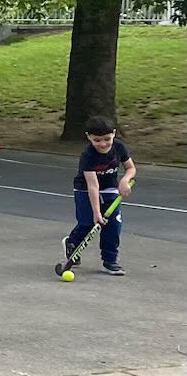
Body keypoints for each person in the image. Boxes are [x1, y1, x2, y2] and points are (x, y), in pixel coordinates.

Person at [65, 116, 136, 276]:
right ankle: (72, 243)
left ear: (114, 134)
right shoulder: (88, 155)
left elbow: (131, 168)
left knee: (113, 225)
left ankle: (110, 261)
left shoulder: (119, 147)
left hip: (110, 188)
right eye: (97, 140)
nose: (103, 144)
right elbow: (93, 185)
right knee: (88, 222)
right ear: (88, 137)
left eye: (107, 139)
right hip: (85, 189)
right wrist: (97, 213)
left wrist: (125, 180)